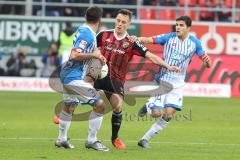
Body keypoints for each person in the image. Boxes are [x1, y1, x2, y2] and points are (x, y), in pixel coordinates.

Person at [94, 9, 180, 149]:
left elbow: (151, 56)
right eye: (118, 21)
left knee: (117, 106)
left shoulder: (132, 42)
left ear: (128, 24)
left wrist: (168, 66)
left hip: (116, 80)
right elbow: (92, 48)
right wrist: (97, 55)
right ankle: (66, 113)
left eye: (123, 22)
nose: (120, 24)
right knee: (86, 93)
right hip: (99, 74)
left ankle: (115, 138)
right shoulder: (103, 35)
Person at [136, 16, 212, 148]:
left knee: (169, 114)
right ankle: (149, 106)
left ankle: (144, 139)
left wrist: (207, 61)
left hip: (178, 83)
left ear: (188, 28)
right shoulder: (168, 37)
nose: (178, 27)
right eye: (177, 24)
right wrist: (136, 39)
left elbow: (207, 63)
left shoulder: (195, 43)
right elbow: (149, 40)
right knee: (156, 113)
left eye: (181, 25)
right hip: (163, 79)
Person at [55, 6, 109, 152]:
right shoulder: (87, 34)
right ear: (99, 19)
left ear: (86, 17)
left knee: (69, 106)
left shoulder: (84, 29)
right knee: (100, 105)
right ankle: (92, 141)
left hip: (67, 74)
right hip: (72, 77)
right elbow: (74, 55)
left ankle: (61, 139)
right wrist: (95, 56)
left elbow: (89, 51)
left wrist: (98, 55)